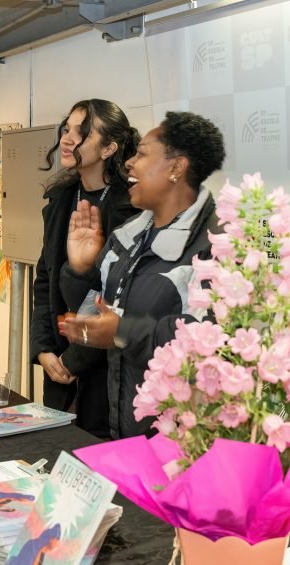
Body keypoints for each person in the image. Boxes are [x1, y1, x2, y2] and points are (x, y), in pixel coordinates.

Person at [58, 112, 226, 438]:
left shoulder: (217, 244)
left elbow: (208, 343)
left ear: (176, 168)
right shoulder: (127, 236)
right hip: (121, 431)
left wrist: (124, 332)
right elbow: (94, 317)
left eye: (142, 154)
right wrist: (80, 271)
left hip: (182, 444)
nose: (129, 163)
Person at [31, 100, 140, 438]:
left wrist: (73, 361)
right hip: (59, 365)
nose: (67, 139)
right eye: (66, 129)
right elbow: (45, 279)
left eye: (81, 133)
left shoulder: (132, 207)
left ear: (109, 148)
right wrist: (44, 350)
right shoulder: (61, 198)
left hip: (106, 369)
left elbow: (121, 298)